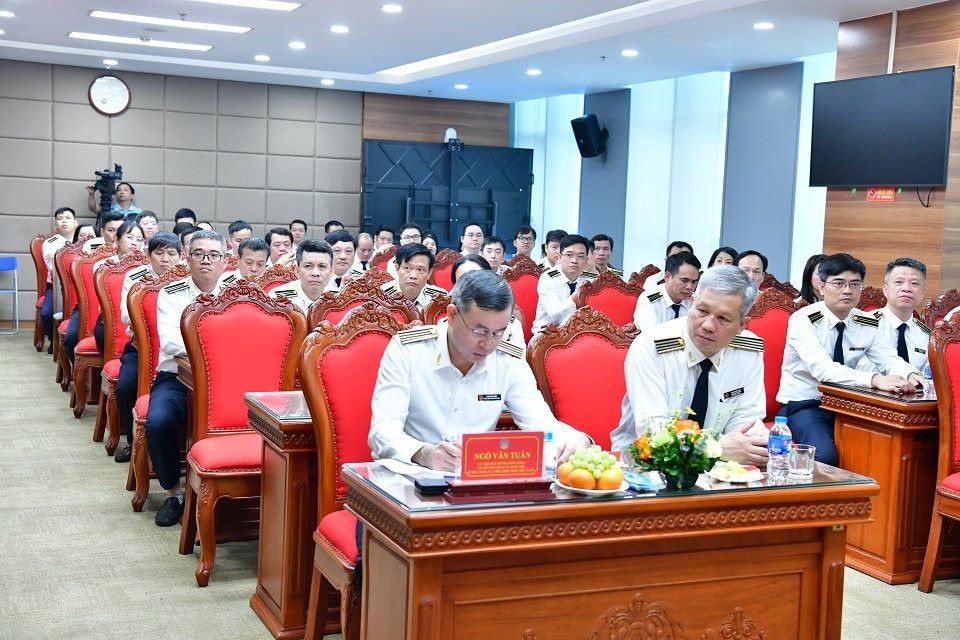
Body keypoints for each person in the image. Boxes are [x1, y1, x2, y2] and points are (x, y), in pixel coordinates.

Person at [368, 270, 592, 470]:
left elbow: (541, 424)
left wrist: (575, 438)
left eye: (498, 332)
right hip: (410, 477)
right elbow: (383, 430)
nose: (488, 344)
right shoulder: (408, 350)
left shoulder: (508, 360)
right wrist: (423, 453)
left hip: (475, 481)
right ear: (452, 315)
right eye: (479, 331)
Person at [611, 266, 769, 466]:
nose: (708, 325)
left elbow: (745, 421)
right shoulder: (652, 345)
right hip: (643, 465)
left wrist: (756, 444)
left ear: (742, 326)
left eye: (723, 318)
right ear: (692, 302)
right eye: (702, 311)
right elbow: (653, 435)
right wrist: (715, 447)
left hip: (720, 468)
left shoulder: (748, 351)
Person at [777, 253, 922, 465]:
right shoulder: (803, 320)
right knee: (825, 456)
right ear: (822, 286)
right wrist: (874, 379)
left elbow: (888, 358)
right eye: (839, 283)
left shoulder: (866, 322)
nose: (847, 290)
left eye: (855, 284)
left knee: (882, 453)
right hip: (806, 405)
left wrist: (911, 374)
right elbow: (823, 370)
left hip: (849, 405)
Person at [146, 230, 228, 526]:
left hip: (226, 383)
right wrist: (218, 349)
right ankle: (174, 493)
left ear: (225, 261)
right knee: (158, 421)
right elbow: (171, 342)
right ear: (187, 258)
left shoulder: (237, 294)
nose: (206, 260)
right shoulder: (172, 293)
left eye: (214, 255)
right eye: (199, 254)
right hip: (177, 379)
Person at [113, 232, 183, 463]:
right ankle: (132, 440)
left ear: (180, 256)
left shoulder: (188, 280)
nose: (165, 259)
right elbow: (126, 316)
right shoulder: (136, 277)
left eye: (171, 253)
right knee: (125, 385)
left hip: (177, 354)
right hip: (141, 347)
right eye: (159, 253)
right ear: (149, 255)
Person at [450, 254, 526, 351]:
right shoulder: (447, 319)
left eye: (478, 279)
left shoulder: (511, 325)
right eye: (463, 281)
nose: (470, 287)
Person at [868, 258, 931, 371]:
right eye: (899, 282)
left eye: (914, 283)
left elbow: (927, 375)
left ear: (922, 293)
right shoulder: (866, 325)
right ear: (885, 289)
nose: (906, 289)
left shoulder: (926, 336)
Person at [531, 234, 594, 338]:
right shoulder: (548, 278)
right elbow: (555, 316)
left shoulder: (590, 280)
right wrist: (576, 297)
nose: (574, 260)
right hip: (546, 335)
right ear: (560, 257)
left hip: (578, 335)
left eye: (580, 256)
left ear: (586, 260)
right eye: (569, 255)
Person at [40, 207, 79, 350]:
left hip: (79, 286)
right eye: (60, 218)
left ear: (75, 222)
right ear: (56, 224)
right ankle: (53, 340)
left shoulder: (84, 240)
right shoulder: (50, 243)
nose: (64, 221)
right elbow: (53, 268)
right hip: (56, 286)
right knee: (46, 313)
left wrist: (59, 257)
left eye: (68, 218)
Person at [632, 251, 701, 331]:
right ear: (667, 277)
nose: (690, 287)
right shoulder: (649, 299)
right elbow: (653, 334)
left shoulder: (694, 301)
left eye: (694, 282)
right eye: (684, 280)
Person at [271, 239, 334, 312]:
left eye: (322, 266)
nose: (315, 273)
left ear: (331, 271)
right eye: (308, 266)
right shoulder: (278, 298)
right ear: (297, 270)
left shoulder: (340, 299)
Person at [382, 243, 446, 309]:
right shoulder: (381, 296)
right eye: (407, 268)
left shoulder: (440, 298)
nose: (413, 276)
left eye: (420, 270)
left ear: (429, 273)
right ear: (397, 269)